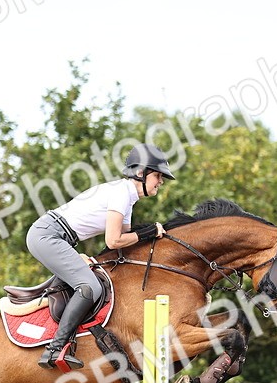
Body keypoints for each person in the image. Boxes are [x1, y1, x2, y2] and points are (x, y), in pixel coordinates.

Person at [26, 142, 176, 370]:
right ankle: (55, 349)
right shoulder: (120, 194)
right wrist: (148, 231)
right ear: (140, 173)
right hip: (48, 235)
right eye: (158, 175)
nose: (161, 181)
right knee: (90, 287)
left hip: (57, 237)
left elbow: (125, 236)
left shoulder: (127, 197)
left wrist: (150, 233)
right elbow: (114, 241)